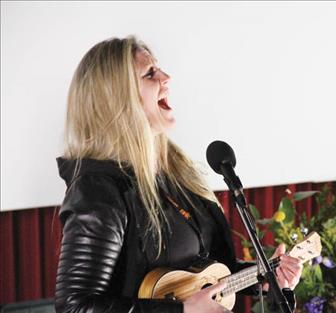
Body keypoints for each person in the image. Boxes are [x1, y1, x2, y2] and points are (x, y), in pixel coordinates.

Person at [55, 36, 302, 313]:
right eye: (150, 74)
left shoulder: (175, 174)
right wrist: (179, 311)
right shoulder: (98, 188)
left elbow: (197, 280)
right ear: (118, 99)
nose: (166, 77)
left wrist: (265, 279)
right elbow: (74, 307)